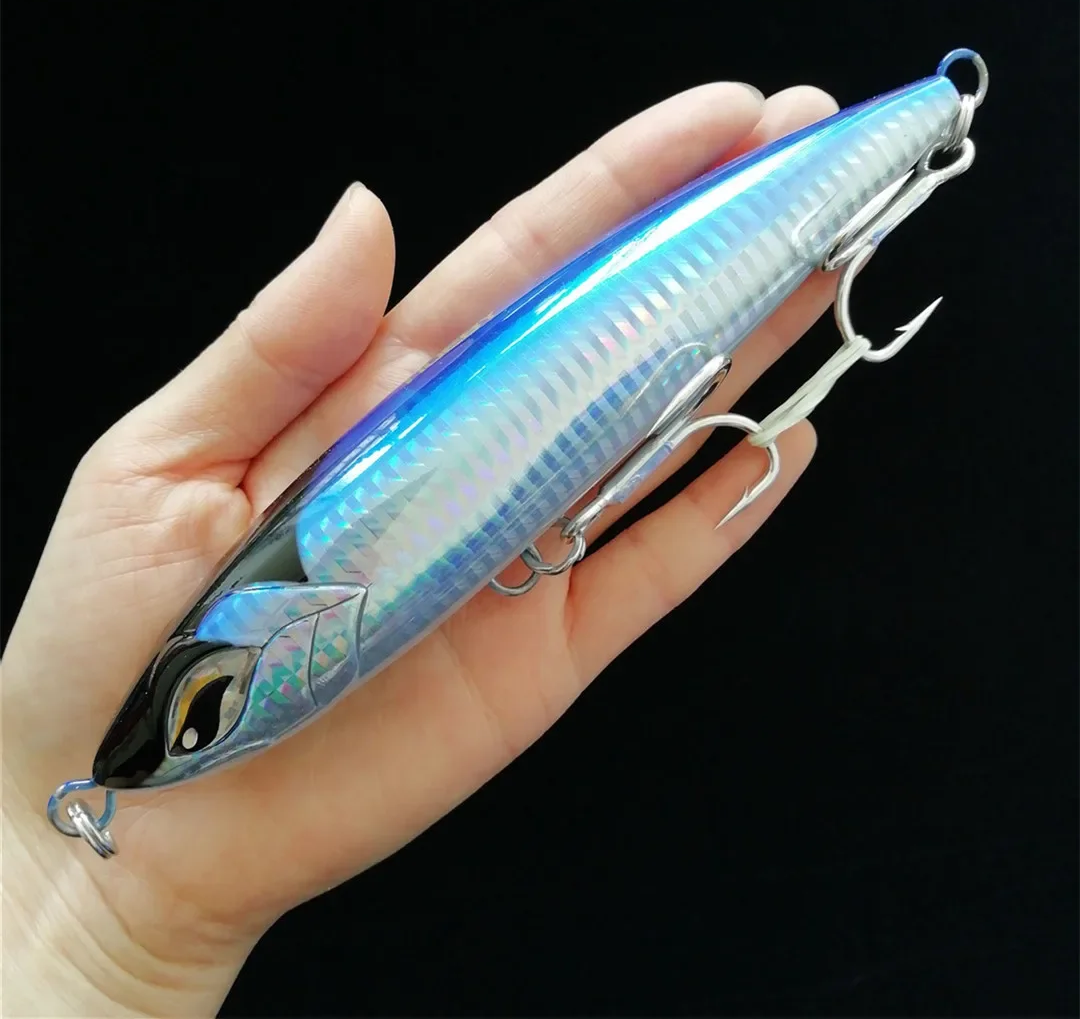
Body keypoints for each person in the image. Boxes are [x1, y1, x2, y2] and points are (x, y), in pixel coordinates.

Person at [2, 79, 835, 1016]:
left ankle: (915, 129)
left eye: (208, 712)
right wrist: (84, 940)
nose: (210, 724)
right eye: (204, 719)